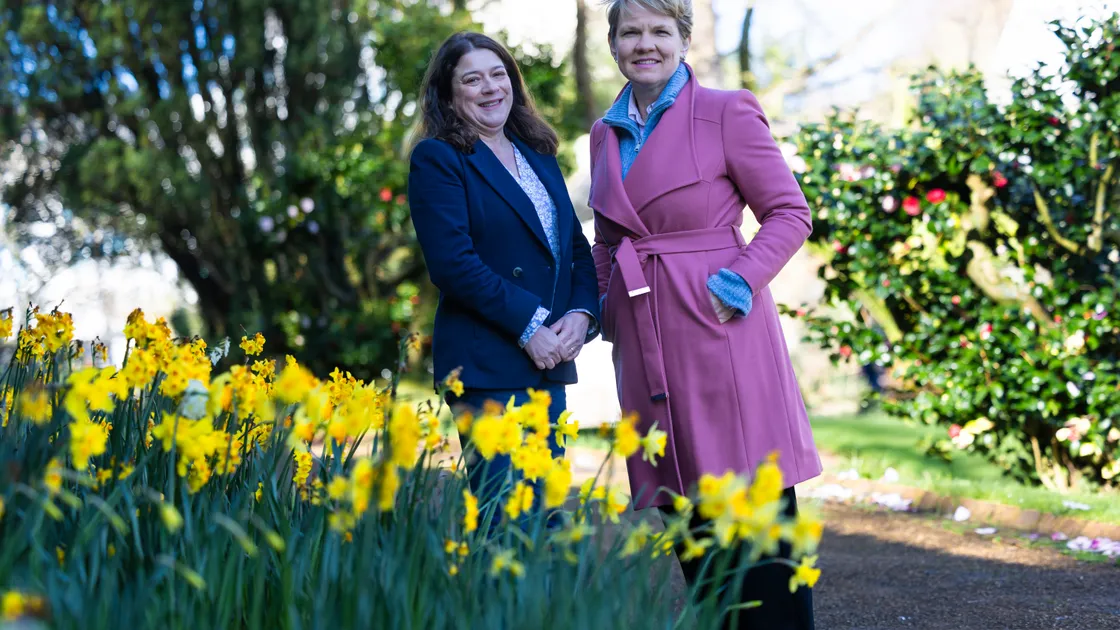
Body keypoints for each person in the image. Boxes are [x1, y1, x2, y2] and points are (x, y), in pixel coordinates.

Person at [588, 1, 821, 627]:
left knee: (756, 529)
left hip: (719, 329)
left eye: (660, 31)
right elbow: (607, 238)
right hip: (644, 342)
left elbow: (790, 212)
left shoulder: (727, 111)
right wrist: (608, 307)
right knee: (694, 535)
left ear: (684, 39)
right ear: (613, 44)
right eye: (631, 32)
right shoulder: (604, 133)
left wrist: (739, 281)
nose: (645, 44)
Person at [408, 32, 600, 532]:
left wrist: (582, 315)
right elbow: (453, 264)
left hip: (549, 362)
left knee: (544, 523)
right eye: (472, 79)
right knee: (507, 527)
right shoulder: (438, 158)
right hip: (488, 365)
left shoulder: (538, 152)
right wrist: (529, 326)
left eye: (498, 74)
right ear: (449, 94)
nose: (490, 87)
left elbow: (574, 247)